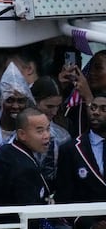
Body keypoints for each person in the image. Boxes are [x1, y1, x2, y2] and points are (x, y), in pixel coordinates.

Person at [0, 107, 52, 209]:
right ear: (22, 134)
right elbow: (32, 216)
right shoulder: (26, 169)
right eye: (40, 131)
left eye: (48, 129)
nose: (47, 136)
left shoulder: (5, 150)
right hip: (13, 222)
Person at [57, 92, 106, 229]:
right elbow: (64, 198)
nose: (96, 112)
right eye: (93, 107)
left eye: (103, 109)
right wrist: (90, 225)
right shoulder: (70, 149)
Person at [30, 76, 71, 187]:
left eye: (57, 106)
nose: (54, 112)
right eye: (49, 106)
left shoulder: (62, 137)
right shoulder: (17, 130)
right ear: (34, 101)